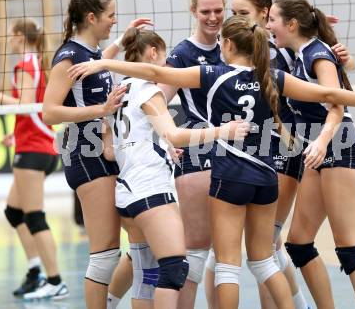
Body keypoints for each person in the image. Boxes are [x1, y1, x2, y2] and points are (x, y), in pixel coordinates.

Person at [67, 15, 355, 309]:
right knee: (264, 260)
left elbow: (155, 72)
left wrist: (106, 62)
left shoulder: (213, 74)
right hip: (266, 176)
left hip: (229, 176)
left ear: (227, 45)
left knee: (229, 265)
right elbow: (329, 95)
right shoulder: (272, 77)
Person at [101, 27, 250, 309]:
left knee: (146, 276)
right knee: (174, 268)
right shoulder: (147, 89)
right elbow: (175, 134)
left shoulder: (120, 92)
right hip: (150, 191)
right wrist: (224, 131)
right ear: (154, 53)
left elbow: (110, 152)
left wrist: (161, 148)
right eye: (165, 57)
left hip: (126, 193)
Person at [267, 0, 355, 309]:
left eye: (272, 20)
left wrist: (320, 142)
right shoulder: (300, 54)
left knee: (348, 246)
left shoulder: (317, 54)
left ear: (291, 25)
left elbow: (338, 104)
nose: (268, 27)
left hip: (340, 147)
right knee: (299, 243)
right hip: (318, 151)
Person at [42, 0, 150, 308]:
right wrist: (101, 111)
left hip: (108, 152)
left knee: (141, 241)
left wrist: (123, 39)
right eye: (111, 16)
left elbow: (97, 64)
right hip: (84, 155)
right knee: (104, 253)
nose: (114, 21)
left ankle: (114, 300)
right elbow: (49, 112)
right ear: (92, 17)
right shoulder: (68, 56)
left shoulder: (91, 53)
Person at [162, 0, 227, 309]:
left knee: (224, 251)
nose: (213, 17)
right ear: (193, 12)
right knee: (197, 250)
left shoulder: (231, 46)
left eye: (218, 10)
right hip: (199, 153)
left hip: (234, 153)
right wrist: (165, 138)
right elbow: (157, 99)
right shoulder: (183, 53)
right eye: (206, 11)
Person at [0, 18, 69, 300]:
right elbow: (34, 110)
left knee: (34, 216)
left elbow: (25, 105)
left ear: (19, 36)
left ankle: (55, 281)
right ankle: (35, 272)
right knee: (14, 213)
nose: (8, 39)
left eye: (11, 34)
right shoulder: (36, 62)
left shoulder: (25, 65)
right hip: (36, 145)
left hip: (34, 151)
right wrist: (15, 135)